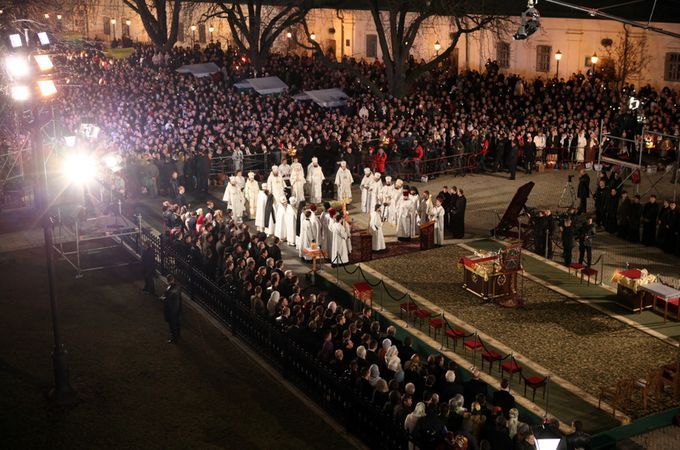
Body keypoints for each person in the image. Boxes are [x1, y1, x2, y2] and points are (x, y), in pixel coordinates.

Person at [161, 274, 181, 343]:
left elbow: (168, 298)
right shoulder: (177, 286)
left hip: (171, 309)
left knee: (172, 325)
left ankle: (174, 338)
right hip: (177, 308)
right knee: (177, 323)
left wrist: (163, 298)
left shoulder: (170, 289)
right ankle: (177, 335)